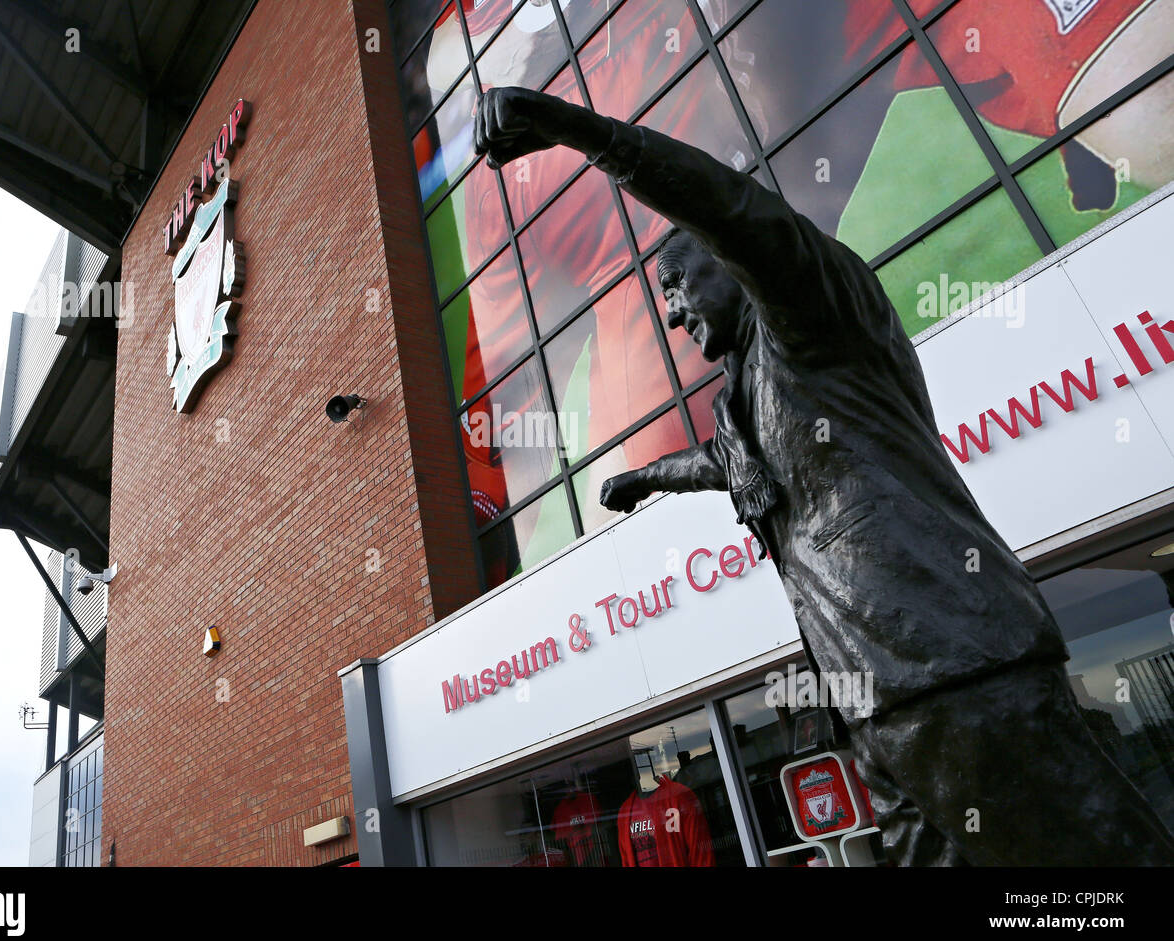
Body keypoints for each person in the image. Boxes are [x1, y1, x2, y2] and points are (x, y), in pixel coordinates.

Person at [472, 84, 1174, 865]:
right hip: (874, 694)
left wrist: (581, 131)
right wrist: (650, 478)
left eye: (674, 288)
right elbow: (730, 461)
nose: (670, 315)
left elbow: (728, 206)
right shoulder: (749, 394)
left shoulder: (811, 315)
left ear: (728, 262)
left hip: (950, 662)